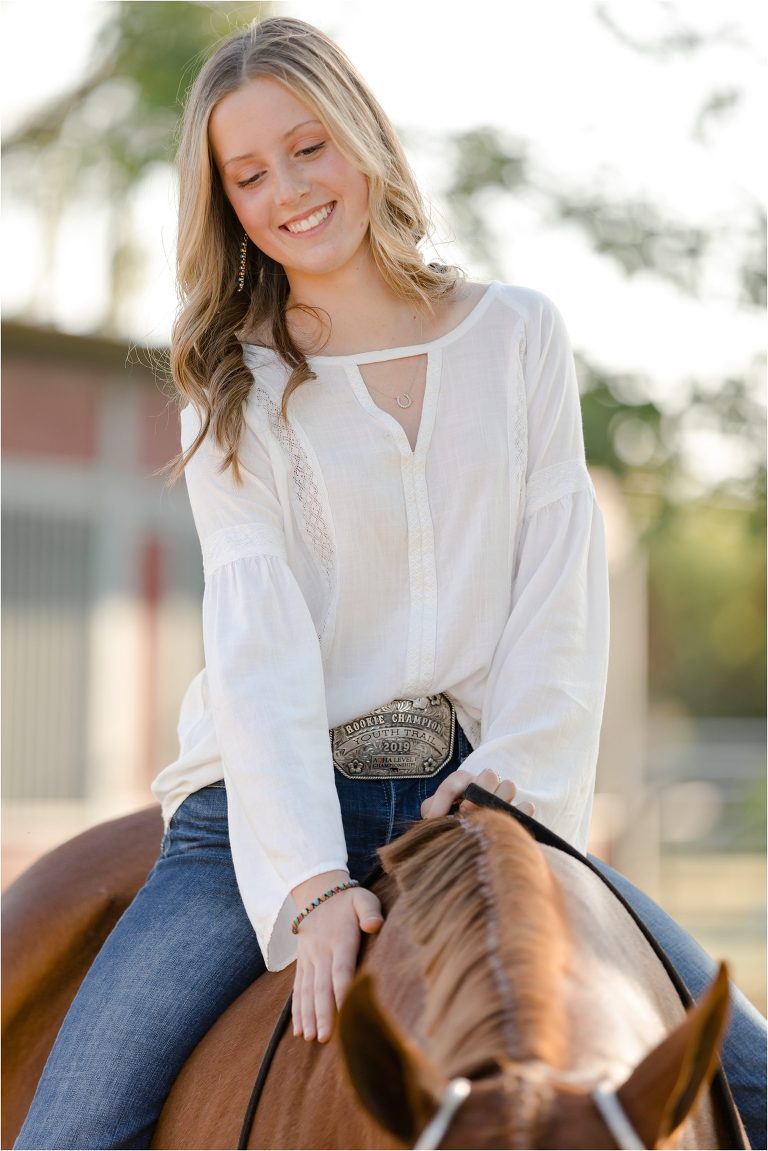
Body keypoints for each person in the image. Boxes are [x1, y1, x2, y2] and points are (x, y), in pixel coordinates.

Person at [15, 16, 765, 1151]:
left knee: (751, 1076)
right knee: (71, 1130)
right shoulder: (236, 383)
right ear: (225, 204)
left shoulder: (518, 335)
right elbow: (259, 646)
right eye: (249, 173)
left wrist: (512, 780)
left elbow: (557, 589)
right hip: (256, 822)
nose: (289, 189)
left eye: (308, 146)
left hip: (474, 796)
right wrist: (312, 886)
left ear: (362, 138)